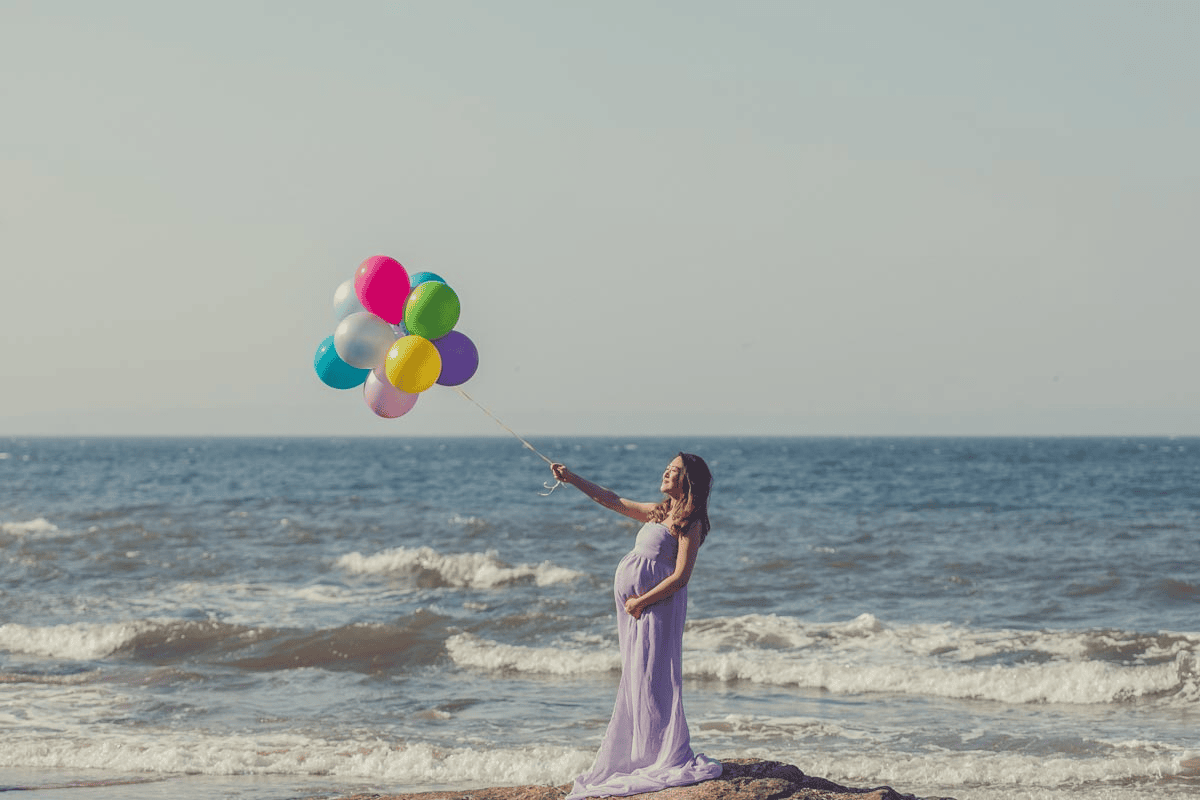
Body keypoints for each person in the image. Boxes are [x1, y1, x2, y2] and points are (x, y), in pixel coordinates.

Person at [550, 453, 723, 800]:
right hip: (635, 609)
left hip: (656, 607)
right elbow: (612, 500)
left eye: (673, 471)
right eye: (667, 468)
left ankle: (659, 754)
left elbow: (680, 577)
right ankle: (641, 752)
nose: (665, 473)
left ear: (687, 481)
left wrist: (641, 601)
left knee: (653, 678)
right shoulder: (660, 512)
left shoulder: (690, 523)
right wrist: (572, 479)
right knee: (636, 676)